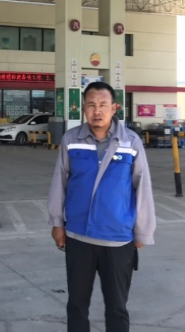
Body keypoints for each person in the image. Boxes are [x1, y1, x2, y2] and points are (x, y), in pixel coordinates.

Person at [48, 81, 156, 332]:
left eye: (103, 105)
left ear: (114, 107)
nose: (97, 111)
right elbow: (59, 182)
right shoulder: (71, 139)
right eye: (91, 105)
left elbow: (143, 187)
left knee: (117, 307)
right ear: (83, 108)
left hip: (117, 240)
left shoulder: (130, 142)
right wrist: (57, 223)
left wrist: (143, 231)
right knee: (77, 304)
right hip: (79, 237)